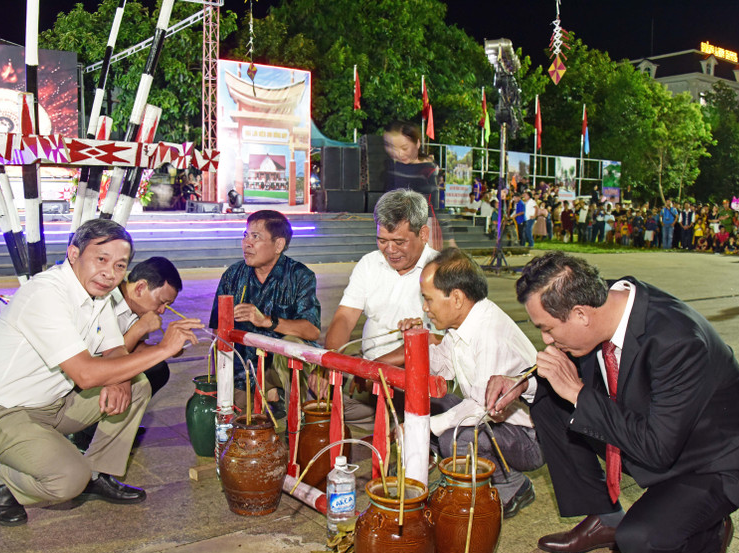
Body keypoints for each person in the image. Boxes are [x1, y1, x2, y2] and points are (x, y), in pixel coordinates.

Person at [487, 252, 739, 553]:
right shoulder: (603, 301)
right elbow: (567, 371)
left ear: (580, 315)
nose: (547, 340)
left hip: (711, 460)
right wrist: (523, 381)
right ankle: (605, 516)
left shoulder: (678, 340)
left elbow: (656, 451)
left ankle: (710, 535)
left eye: (547, 329)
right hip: (658, 432)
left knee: (642, 541)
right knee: (548, 399)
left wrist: (579, 393)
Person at [0, 219, 202, 527]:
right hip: (2, 416)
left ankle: (98, 473)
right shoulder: (46, 294)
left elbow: (115, 349)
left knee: (138, 385)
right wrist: (163, 349)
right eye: (101, 259)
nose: (110, 273)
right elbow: (86, 375)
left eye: (120, 265)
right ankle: (1, 476)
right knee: (67, 481)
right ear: (73, 254)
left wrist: (119, 379)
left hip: (55, 406)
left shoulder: (99, 297)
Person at [380, 249, 544, 517]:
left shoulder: (490, 333)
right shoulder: (462, 325)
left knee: (456, 437)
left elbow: (482, 408)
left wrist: (422, 427)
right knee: (424, 400)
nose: (424, 308)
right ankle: (452, 469)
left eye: (428, 299)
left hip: (526, 437)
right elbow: (441, 368)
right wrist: (415, 340)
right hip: (497, 422)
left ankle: (512, 486)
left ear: (456, 297)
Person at [324, 189, 438, 422]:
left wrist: (375, 367)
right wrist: (334, 364)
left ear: (424, 234)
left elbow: (437, 339)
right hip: (366, 374)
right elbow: (345, 318)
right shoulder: (370, 264)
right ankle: (380, 414)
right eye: (382, 240)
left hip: (411, 379)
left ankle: (393, 420)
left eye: (399, 241)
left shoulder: (441, 269)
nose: (390, 250)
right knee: (314, 390)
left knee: (407, 415)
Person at [209, 210, 321, 412]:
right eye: (245, 235)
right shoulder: (233, 276)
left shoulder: (300, 276)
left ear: (278, 245)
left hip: (281, 369)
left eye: (255, 237)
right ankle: (263, 395)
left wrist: (267, 321)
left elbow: (312, 330)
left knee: (293, 346)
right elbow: (217, 333)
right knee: (233, 423)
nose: (246, 243)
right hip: (245, 371)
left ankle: (292, 419)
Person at [70, 256, 184, 452]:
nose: (162, 311)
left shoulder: (138, 308)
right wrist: (139, 329)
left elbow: (136, 348)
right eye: (161, 302)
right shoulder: (105, 300)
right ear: (140, 288)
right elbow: (105, 358)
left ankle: (116, 421)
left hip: (103, 369)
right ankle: (83, 431)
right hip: (77, 378)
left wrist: (166, 347)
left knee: (157, 368)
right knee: (138, 373)